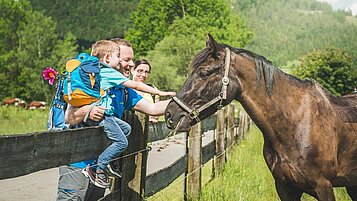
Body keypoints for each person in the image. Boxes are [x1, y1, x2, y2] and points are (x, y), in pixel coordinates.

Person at [57, 38, 174, 200]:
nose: (131, 64)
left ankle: (106, 166)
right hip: (77, 164)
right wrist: (89, 111)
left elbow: (153, 108)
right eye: (126, 59)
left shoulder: (123, 90)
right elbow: (69, 117)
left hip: (99, 171)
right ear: (109, 58)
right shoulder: (91, 81)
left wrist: (181, 100)